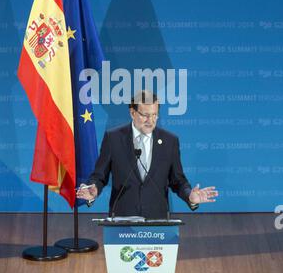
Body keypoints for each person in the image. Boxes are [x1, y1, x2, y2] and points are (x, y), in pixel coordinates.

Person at [77, 91, 218, 219]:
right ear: (132, 113)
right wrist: (93, 190)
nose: (150, 121)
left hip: (157, 219)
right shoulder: (113, 138)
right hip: (122, 218)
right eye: (145, 115)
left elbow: (178, 181)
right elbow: (99, 176)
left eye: (154, 115)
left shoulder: (170, 141)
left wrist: (190, 197)